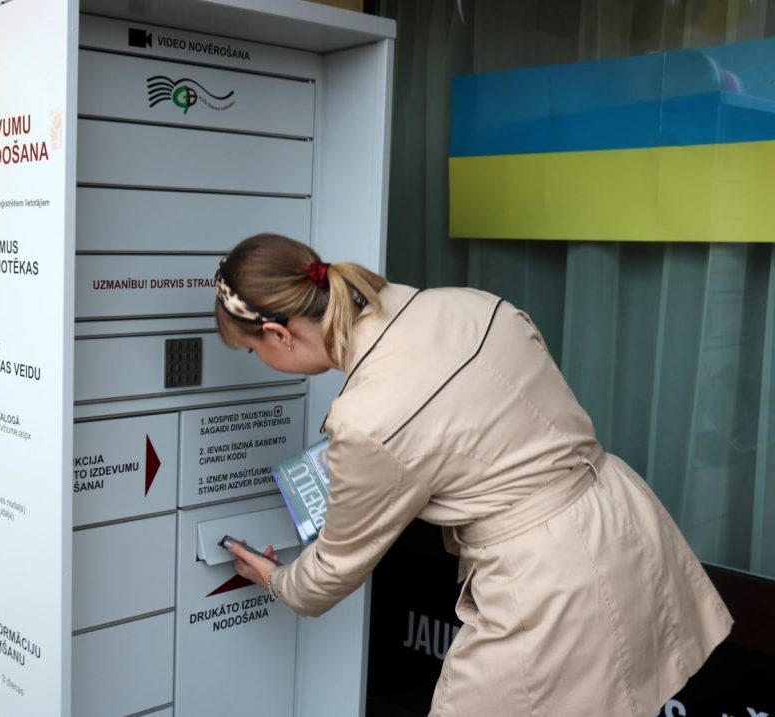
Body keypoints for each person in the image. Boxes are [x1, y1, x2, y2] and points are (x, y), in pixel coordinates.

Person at [216, 233, 732, 716]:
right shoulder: (470, 304)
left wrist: (275, 579)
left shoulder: (366, 419)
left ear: (278, 334)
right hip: (622, 519)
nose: (261, 360)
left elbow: (330, 573)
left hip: (548, 585)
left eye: (252, 350)